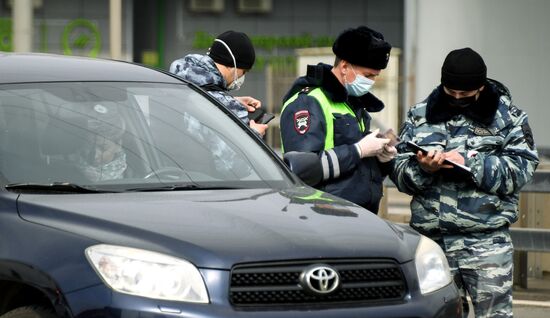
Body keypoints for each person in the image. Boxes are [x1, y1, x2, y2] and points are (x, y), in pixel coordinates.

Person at [390, 48, 539, 317]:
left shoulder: (508, 118)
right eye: (451, 93)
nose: (457, 99)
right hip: (432, 245)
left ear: (481, 87)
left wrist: (471, 163)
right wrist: (424, 169)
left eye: (466, 95)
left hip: (486, 244)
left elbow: (522, 169)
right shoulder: (419, 115)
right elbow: (399, 172)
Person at [279, 26, 396, 213]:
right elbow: (302, 171)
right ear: (344, 66)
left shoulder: (352, 102)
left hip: (357, 214)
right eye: (368, 75)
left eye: (375, 76)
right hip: (322, 215)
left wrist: (381, 158)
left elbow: (356, 172)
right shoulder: (307, 102)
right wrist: (359, 150)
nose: (372, 82)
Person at [169, 30, 268, 136]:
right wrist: (255, 133)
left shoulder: (177, 78)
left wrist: (231, 100)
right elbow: (231, 151)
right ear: (232, 65)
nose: (242, 77)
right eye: (244, 71)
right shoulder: (230, 109)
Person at [74, 103, 128, 182]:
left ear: (118, 146)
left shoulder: (134, 179)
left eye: (102, 148)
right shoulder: (69, 175)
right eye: (90, 147)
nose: (95, 155)